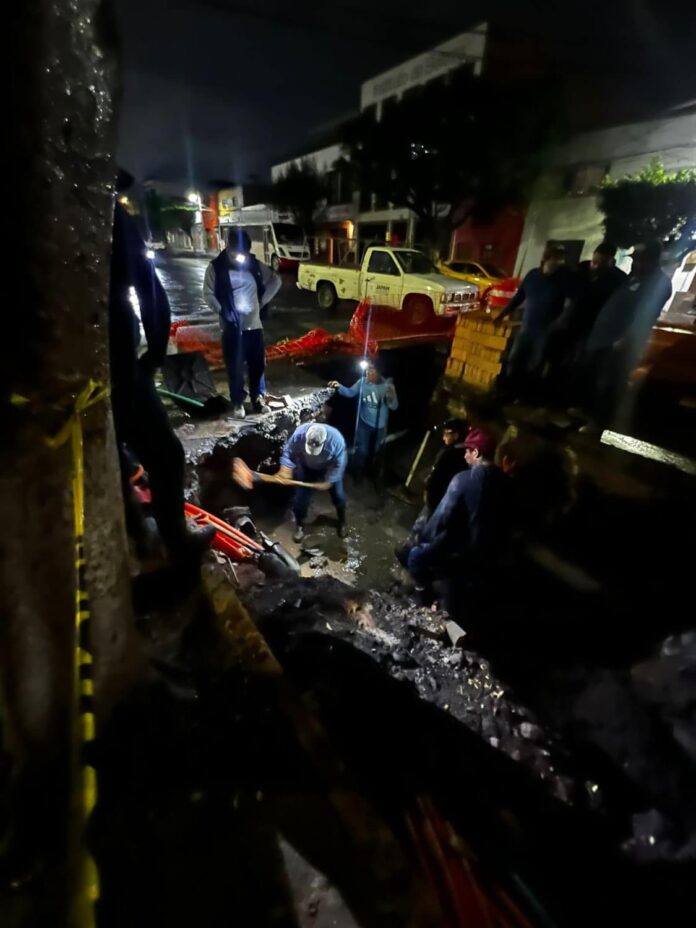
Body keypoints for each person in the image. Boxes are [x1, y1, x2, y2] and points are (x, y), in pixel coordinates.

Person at [109, 187, 213, 560]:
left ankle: (137, 529)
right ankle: (174, 542)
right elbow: (149, 287)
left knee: (110, 458)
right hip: (115, 367)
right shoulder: (108, 212)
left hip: (81, 371)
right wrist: (154, 353)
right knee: (165, 456)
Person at [397, 429, 507, 602]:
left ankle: (423, 598)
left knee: (415, 557)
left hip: (464, 550)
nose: (464, 456)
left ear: (476, 452)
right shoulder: (505, 482)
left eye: (467, 451)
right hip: (492, 551)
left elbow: (441, 518)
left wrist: (422, 539)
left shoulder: (462, 480)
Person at [580, 241, 673, 433]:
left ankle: (599, 423)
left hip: (619, 343)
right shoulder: (635, 277)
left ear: (651, 260)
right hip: (602, 338)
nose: (634, 263)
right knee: (594, 379)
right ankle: (588, 414)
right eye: (634, 259)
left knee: (608, 383)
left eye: (639, 260)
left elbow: (645, 316)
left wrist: (625, 338)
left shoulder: (658, 283)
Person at [203, 228, 281, 418]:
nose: (240, 256)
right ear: (228, 246)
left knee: (257, 365)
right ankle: (238, 402)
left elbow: (275, 280)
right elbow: (208, 293)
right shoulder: (216, 267)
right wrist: (222, 310)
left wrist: (262, 302)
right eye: (236, 251)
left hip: (254, 326)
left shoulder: (253, 264)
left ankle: (258, 398)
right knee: (235, 366)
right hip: (232, 328)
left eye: (244, 252)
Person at [546, 243, 626, 400]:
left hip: (592, 329)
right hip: (568, 323)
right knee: (555, 360)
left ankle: (569, 399)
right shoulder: (581, 270)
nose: (595, 266)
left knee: (579, 365)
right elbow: (566, 289)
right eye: (594, 262)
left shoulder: (617, 279)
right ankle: (550, 394)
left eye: (600, 263)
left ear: (611, 262)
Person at [498, 245, 574, 397]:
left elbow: (571, 303)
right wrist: (502, 314)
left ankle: (525, 396)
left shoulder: (563, 279)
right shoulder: (533, 275)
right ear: (546, 259)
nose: (559, 263)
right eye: (556, 259)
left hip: (544, 331)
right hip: (527, 328)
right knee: (514, 360)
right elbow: (519, 297)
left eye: (561, 260)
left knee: (534, 365)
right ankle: (507, 393)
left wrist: (559, 323)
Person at [276, 422, 348, 542]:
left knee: (339, 496)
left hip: (329, 467)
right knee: (300, 500)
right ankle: (300, 525)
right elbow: (288, 452)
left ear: (324, 442)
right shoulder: (299, 434)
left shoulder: (336, 440)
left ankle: (342, 520)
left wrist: (330, 480)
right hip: (307, 467)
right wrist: (285, 468)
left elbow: (339, 463)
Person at [328, 358, 398, 473]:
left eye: (372, 371)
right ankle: (357, 473)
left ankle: (371, 471)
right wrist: (339, 386)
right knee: (361, 450)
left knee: (376, 450)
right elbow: (350, 393)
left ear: (379, 373)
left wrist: (391, 397)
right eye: (367, 370)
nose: (368, 373)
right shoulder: (362, 382)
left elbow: (394, 406)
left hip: (380, 427)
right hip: (364, 423)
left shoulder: (387, 387)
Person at [424, 418, 469, 516]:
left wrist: (428, 490)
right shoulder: (462, 452)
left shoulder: (449, 454)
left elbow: (436, 476)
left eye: (446, 434)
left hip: (437, 497)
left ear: (456, 436)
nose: (443, 437)